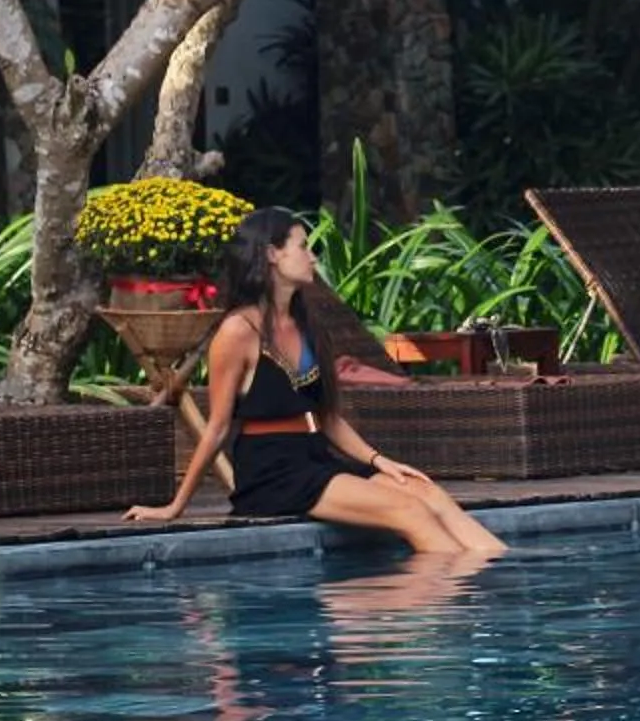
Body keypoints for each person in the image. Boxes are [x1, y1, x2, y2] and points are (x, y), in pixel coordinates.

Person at [128, 208, 506, 557]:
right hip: (272, 471)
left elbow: (328, 418)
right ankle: (458, 601)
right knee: (408, 510)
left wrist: (381, 461)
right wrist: (175, 507)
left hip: (315, 456)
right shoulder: (237, 332)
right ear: (272, 255)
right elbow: (217, 427)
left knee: (427, 493)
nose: (313, 257)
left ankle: (500, 573)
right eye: (303, 246)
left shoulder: (306, 324)